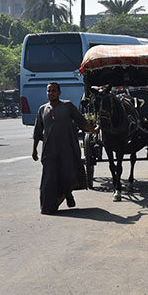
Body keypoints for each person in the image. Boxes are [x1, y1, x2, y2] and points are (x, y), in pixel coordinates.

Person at [32, 82, 97, 214]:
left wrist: (94, 131)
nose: (51, 93)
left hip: (67, 148)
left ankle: (67, 193)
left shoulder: (67, 106)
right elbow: (38, 131)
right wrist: (34, 149)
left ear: (59, 93)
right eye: (49, 91)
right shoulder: (42, 109)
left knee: (68, 175)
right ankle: (48, 207)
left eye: (54, 91)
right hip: (49, 150)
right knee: (48, 178)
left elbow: (81, 121)